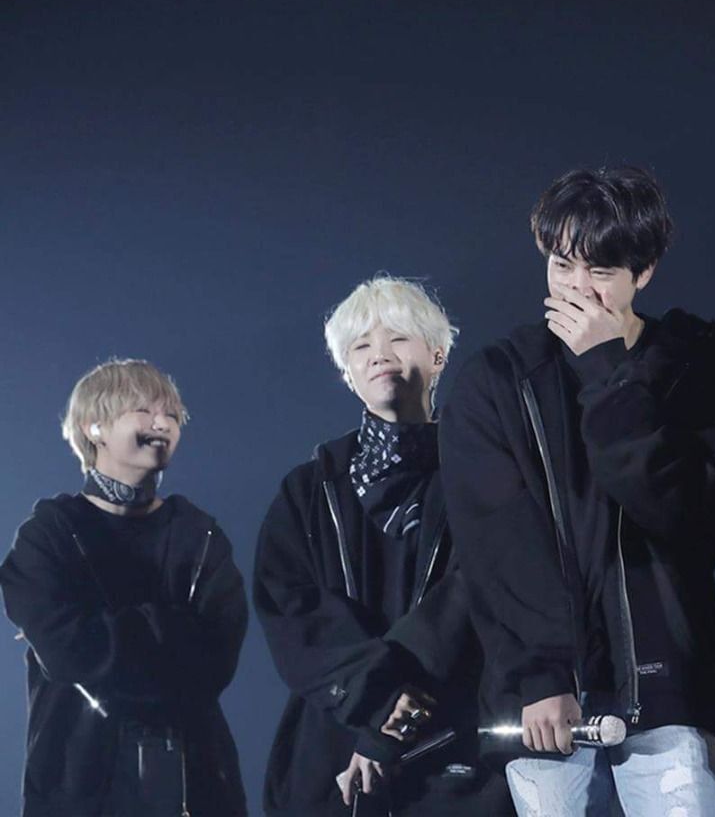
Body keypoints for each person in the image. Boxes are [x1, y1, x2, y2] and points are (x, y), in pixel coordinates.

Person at [440, 166, 715, 814]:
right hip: (545, 697)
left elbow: (684, 514)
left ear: (645, 272)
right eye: (561, 266)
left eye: (601, 271)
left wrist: (608, 371)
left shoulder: (697, 362)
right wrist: (542, 673)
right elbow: (495, 542)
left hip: (668, 681)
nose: (577, 288)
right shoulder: (497, 380)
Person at [253, 276, 511, 814]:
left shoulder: (482, 472)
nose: (379, 355)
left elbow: (474, 593)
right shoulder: (307, 490)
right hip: (333, 752)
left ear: (438, 355)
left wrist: (394, 722)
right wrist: (377, 703)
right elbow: (293, 614)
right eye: (360, 346)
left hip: (458, 754)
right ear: (347, 374)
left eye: (398, 337)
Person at [0, 358, 248, 817]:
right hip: (77, 783)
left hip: (195, 786)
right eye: (144, 410)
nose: (162, 423)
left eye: (171, 414)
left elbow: (215, 659)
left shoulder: (200, 535)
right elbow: (66, 650)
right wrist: (168, 628)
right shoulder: (49, 534)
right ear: (94, 427)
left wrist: (107, 635)